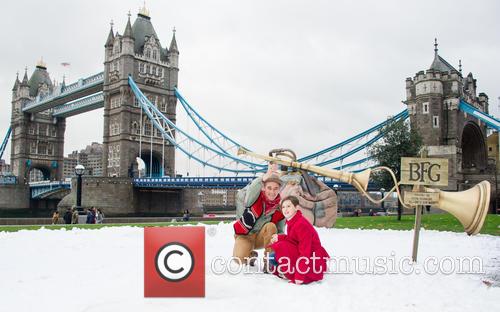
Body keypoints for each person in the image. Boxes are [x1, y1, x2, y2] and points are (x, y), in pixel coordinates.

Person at [268, 195, 330, 285]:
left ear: (296, 207)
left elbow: (305, 251)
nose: (285, 209)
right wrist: (279, 237)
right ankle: (285, 268)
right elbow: (293, 239)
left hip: (312, 258)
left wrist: (300, 276)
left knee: (279, 249)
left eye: (288, 206)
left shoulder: (301, 224)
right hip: (303, 251)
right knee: (274, 255)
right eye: (283, 207)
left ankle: (290, 270)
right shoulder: (293, 220)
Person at [232, 164, 285, 266]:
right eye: (269, 188)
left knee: (271, 226)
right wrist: (264, 177)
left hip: (263, 238)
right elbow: (249, 195)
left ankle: (269, 261)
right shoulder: (255, 197)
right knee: (239, 260)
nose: (272, 192)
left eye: (275, 188)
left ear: (279, 190)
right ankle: (251, 255)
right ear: (263, 188)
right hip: (246, 236)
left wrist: (281, 250)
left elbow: (281, 232)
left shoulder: (280, 208)